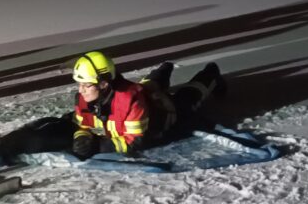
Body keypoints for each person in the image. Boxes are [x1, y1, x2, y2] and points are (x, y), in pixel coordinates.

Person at [70, 51, 226, 159]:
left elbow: (134, 142)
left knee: (189, 97)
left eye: (86, 85)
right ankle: (164, 70)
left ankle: (211, 74)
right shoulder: (86, 98)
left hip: (164, 113)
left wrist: (97, 146)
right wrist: (82, 138)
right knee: (148, 85)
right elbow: (83, 125)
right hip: (145, 94)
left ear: (104, 84)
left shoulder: (130, 101)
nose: (81, 90)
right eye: (79, 84)